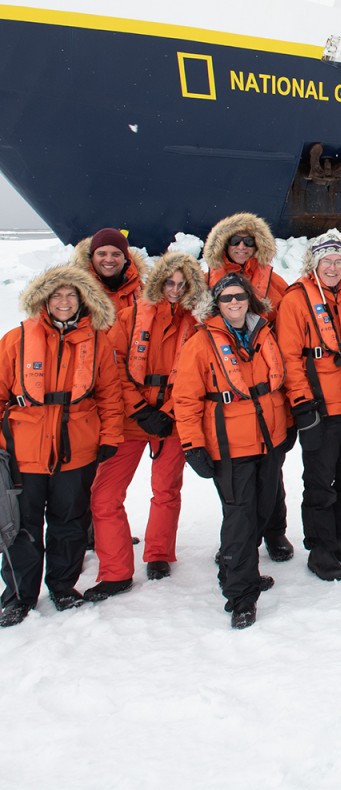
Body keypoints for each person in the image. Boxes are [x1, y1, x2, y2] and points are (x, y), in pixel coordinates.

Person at [0, 266, 122, 626]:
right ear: (44, 300)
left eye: (71, 295)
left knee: (69, 523)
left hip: (77, 449)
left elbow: (110, 397)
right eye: (57, 295)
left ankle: (63, 587)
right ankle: (19, 596)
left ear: (83, 300)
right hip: (24, 452)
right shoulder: (15, 340)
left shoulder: (98, 342)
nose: (64, 302)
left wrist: (110, 437)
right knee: (21, 526)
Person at [171, 274, 290, 628]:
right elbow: (186, 399)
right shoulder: (200, 343)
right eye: (226, 299)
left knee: (262, 509)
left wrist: (287, 427)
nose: (234, 303)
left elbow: (275, 389)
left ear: (249, 300)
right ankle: (241, 596)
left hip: (267, 439)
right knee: (239, 519)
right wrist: (193, 445)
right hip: (228, 445)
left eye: (240, 297)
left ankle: (237, 569)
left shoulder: (263, 333)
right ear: (216, 304)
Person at [86, 253, 205, 602]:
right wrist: (139, 409)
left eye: (183, 285)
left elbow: (198, 371)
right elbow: (113, 365)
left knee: (166, 489)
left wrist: (168, 411)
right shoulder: (128, 316)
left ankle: (158, 554)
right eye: (170, 283)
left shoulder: (199, 323)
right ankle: (116, 571)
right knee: (105, 496)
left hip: (174, 417)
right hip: (131, 417)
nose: (175, 290)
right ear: (158, 283)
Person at [277, 230, 341, 582]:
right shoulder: (296, 301)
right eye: (327, 261)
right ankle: (320, 549)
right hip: (319, 408)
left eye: (339, 261)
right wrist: (302, 403)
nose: (333, 267)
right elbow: (289, 358)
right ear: (314, 264)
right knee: (320, 483)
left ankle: (337, 538)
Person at [203, 213, 293, 562]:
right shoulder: (205, 279)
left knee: (271, 471)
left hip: (266, 384)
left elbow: (291, 322)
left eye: (248, 242)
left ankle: (275, 533)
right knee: (235, 478)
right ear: (223, 245)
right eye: (235, 242)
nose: (241, 247)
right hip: (225, 389)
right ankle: (240, 541)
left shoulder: (273, 280)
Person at [73, 228, 148, 313]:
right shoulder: (75, 292)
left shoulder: (142, 291)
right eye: (101, 254)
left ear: (125, 259)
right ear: (92, 258)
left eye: (116, 254)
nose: (109, 260)